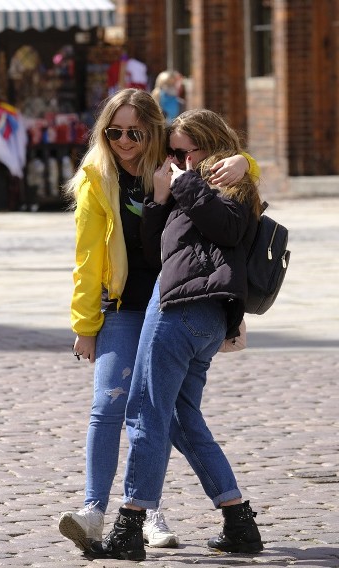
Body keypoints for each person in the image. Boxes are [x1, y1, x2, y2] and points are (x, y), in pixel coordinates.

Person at [59, 89, 258, 553]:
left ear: (154, 130)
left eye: (135, 132)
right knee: (128, 409)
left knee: (153, 413)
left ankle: (141, 516)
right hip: (131, 306)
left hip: (177, 305)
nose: (125, 141)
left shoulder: (178, 158)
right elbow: (92, 257)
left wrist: (244, 162)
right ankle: (99, 509)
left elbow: (218, 153)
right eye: (114, 132)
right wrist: (84, 322)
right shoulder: (98, 176)